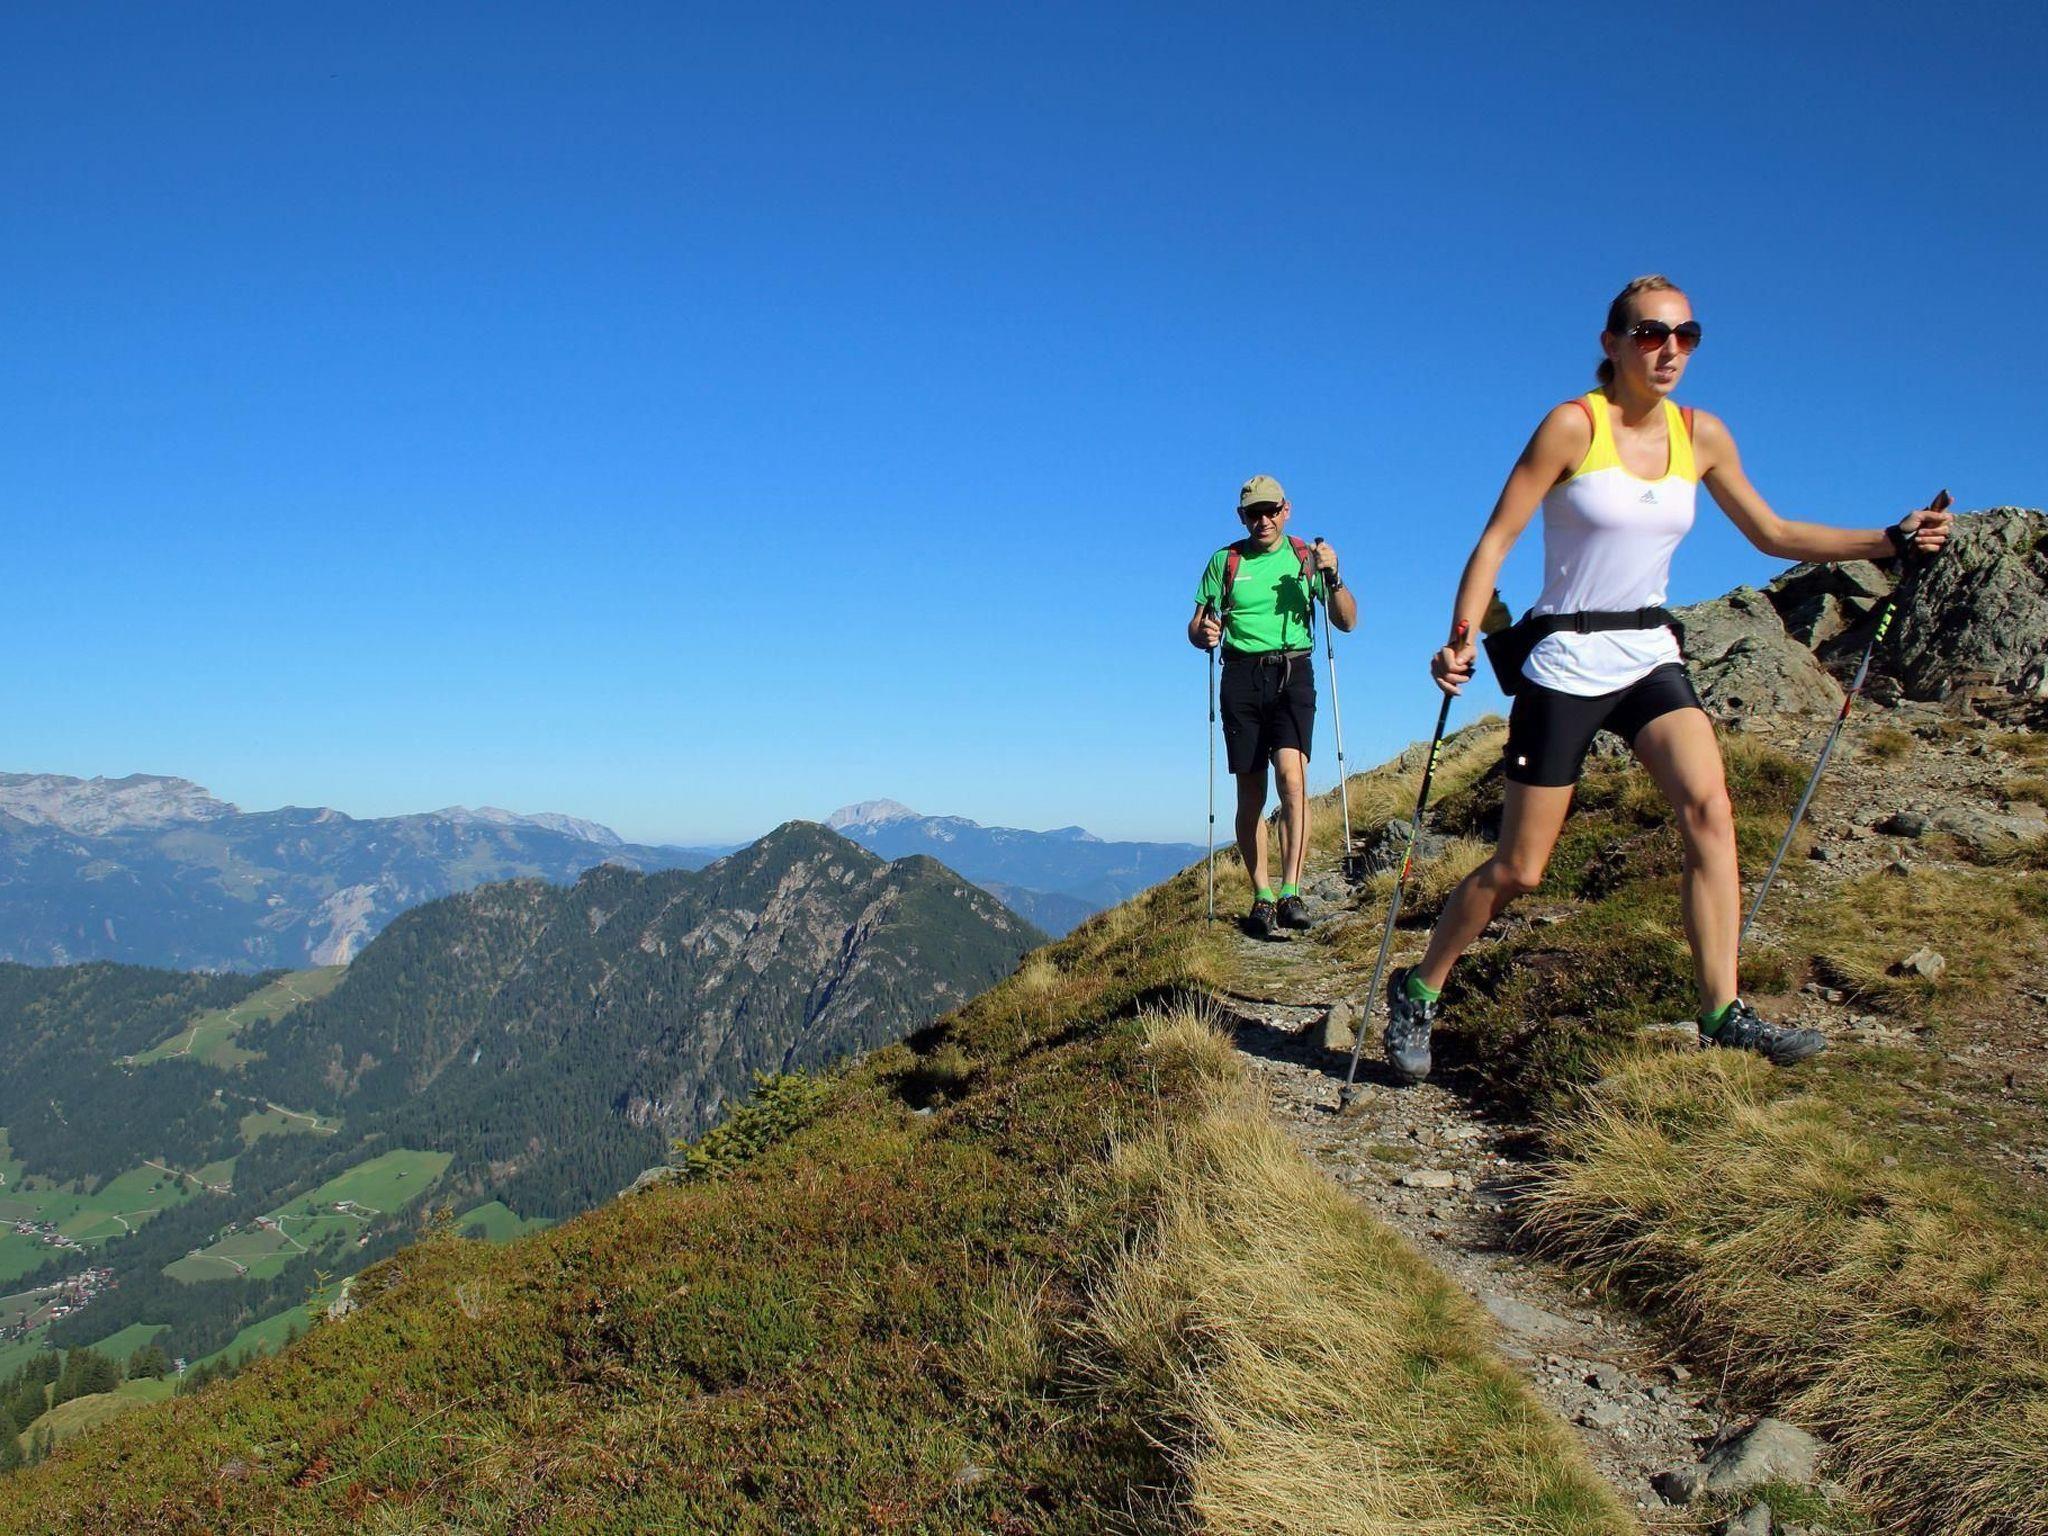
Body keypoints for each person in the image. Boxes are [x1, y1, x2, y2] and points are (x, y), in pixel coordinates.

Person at [1381, 275, 1952, 1082]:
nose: (1670, 349)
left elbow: (1772, 532)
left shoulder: (1701, 434)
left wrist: (1889, 539)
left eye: (1686, 335)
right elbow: (1496, 540)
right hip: (1565, 661)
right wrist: (1459, 640)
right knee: (1521, 869)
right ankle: (1419, 989)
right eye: (1651, 334)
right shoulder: (1573, 426)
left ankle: (1723, 1012)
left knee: (1710, 812)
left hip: (1650, 653)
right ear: (1612, 343)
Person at [1189, 475, 1357, 939]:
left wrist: (1334, 576)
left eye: (1270, 511)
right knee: (1251, 794)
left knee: (1292, 778)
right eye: (1253, 513)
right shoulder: (1225, 561)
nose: (1263, 520)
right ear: (1241, 517)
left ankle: (1290, 892)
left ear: (1286, 510)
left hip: (1292, 671)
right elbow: (1197, 626)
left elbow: (1346, 621)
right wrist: (1204, 633)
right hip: (1240, 676)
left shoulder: (1306, 558)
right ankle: (1262, 895)